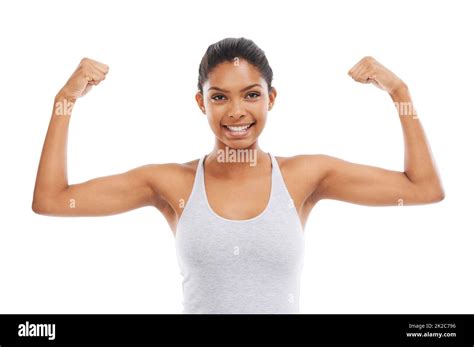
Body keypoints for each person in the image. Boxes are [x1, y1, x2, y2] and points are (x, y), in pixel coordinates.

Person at [32, 37, 444, 314]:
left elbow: (422, 188)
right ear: (201, 103)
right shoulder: (172, 184)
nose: (236, 112)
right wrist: (64, 101)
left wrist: (400, 92)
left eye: (251, 94)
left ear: (271, 98)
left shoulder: (303, 176)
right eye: (219, 97)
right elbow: (51, 200)